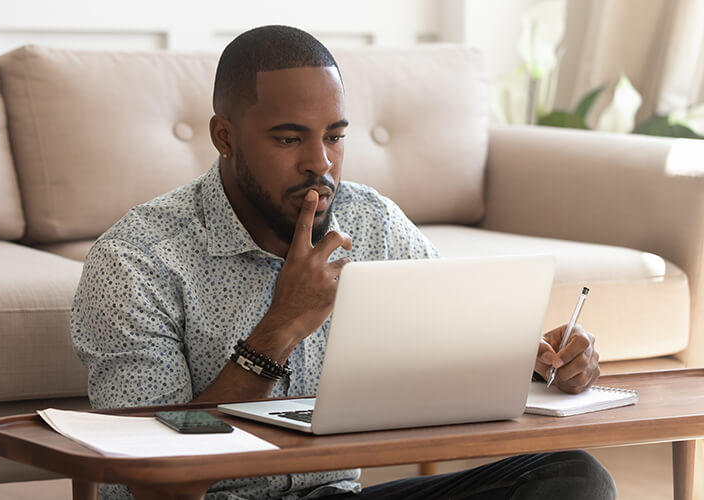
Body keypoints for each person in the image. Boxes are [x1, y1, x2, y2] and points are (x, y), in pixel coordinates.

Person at [72, 25, 616, 500]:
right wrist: (279, 329)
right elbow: (157, 482)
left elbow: (459, 342)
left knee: (574, 478)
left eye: (335, 137)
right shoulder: (135, 261)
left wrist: (545, 362)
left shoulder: (370, 222)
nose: (320, 164)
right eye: (289, 139)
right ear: (225, 137)